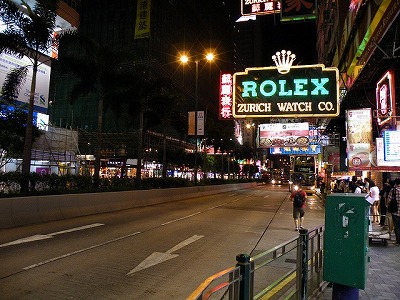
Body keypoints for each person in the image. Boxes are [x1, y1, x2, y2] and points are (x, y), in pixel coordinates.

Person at [387, 178, 400, 245]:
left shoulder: (394, 190)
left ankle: (398, 241)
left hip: (396, 211)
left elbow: (389, 200)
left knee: (397, 226)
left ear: (396, 183)